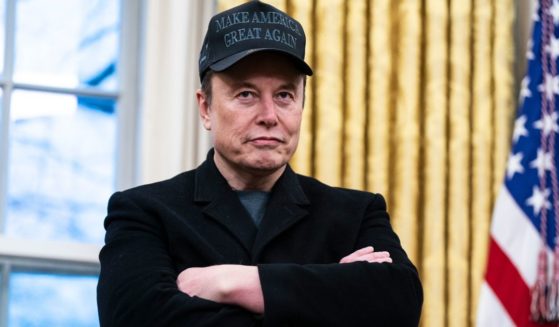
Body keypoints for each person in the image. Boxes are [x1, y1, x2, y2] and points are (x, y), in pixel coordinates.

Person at [97, 1, 423, 326]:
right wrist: (331, 294)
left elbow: (400, 304)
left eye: (284, 95)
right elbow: (136, 317)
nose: (269, 116)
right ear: (206, 107)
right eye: (246, 94)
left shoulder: (357, 213)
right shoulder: (144, 212)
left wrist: (233, 283)